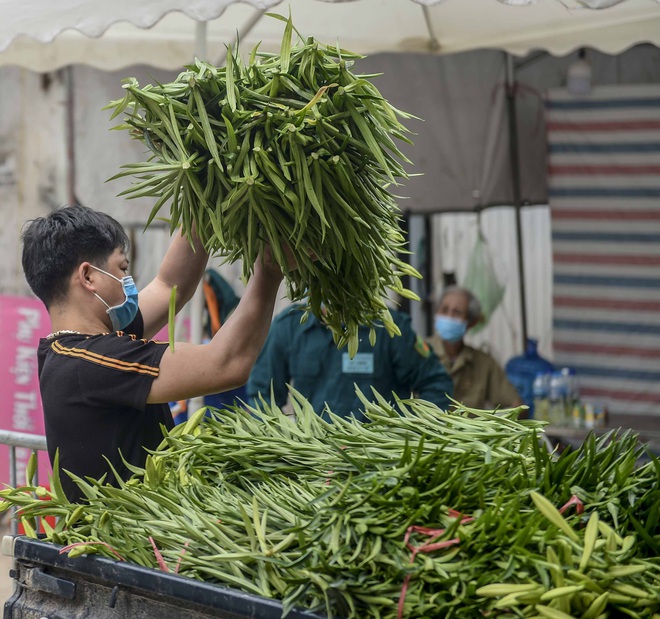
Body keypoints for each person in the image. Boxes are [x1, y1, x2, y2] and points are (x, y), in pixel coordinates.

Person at [21, 205, 286, 502]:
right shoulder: (93, 363)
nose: (129, 280)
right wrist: (270, 270)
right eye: (122, 268)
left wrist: (207, 203)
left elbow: (169, 286)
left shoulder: (71, 349)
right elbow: (226, 364)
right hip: (124, 544)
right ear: (88, 276)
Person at [247, 304, 453, 421]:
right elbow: (262, 394)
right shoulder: (289, 326)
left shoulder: (389, 327)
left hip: (378, 464)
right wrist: (282, 441)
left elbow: (436, 385)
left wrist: (412, 434)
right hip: (314, 461)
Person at [427, 286, 522, 410]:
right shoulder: (418, 352)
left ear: (471, 322)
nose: (449, 317)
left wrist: (493, 424)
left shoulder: (483, 363)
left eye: (457, 312)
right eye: (444, 310)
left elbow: (517, 407)